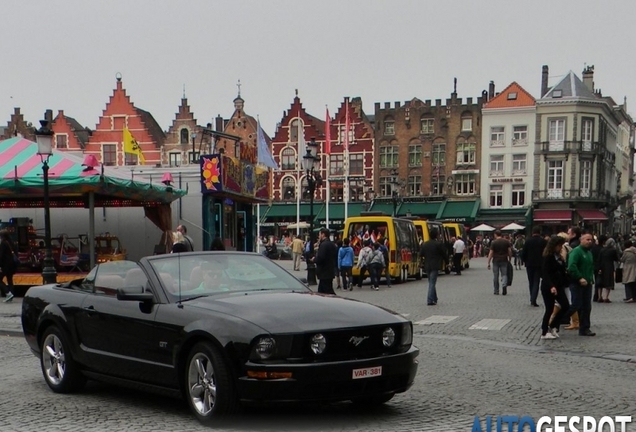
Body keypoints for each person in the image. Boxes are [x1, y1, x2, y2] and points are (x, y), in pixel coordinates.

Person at [539, 235, 570, 340]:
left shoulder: (558, 256)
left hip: (559, 285)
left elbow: (562, 270)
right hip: (549, 286)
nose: (561, 248)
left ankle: (553, 326)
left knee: (565, 305)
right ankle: (544, 331)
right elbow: (545, 273)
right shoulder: (548, 257)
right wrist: (551, 286)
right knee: (549, 309)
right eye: (559, 245)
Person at [567, 232, 596, 336]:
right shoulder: (576, 252)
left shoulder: (589, 253)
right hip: (577, 283)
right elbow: (571, 266)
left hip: (587, 283)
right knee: (576, 304)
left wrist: (590, 279)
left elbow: (590, 267)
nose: (589, 241)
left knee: (586, 306)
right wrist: (580, 278)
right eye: (587, 239)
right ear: (581, 240)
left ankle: (584, 328)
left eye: (591, 240)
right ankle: (558, 320)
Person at [420, 228, 447, 306]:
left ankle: (434, 298)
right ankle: (430, 300)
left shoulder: (425, 244)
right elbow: (444, 254)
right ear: (436, 235)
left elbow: (421, 254)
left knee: (431, 282)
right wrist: (447, 262)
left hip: (427, 265)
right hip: (435, 265)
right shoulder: (438, 244)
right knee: (432, 283)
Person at [521, 226, 547, 307]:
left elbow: (523, 253)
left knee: (531, 281)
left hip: (529, 264)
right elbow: (546, 253)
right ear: (539, 232)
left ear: (532, 232)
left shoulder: (528, 241)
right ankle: (533, 299)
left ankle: (531, 297)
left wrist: (525, 261)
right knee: (536, 281)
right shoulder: (543, 241)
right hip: (539, 264)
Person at [487, 230, 512, 295]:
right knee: (504, 274)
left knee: (496, 275)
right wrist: (509, 258)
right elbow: (509, 251)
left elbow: (491, 253)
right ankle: (504, 286)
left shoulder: (494, 242)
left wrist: (488, 262)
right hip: (504, 260)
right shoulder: (506, 242)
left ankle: (496, 290)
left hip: (496, 260)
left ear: (495, 235)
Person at [314, 228, 338, 295]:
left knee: (328, 291)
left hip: (324, 272)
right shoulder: (332, 244)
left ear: (323, 234)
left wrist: (315, 259)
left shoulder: (324, 245)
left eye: (319, 234)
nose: (319, 236)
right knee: (321, 291)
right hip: (329, 271)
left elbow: (321, 258)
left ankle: (336, 302)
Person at [597, 237, 619, 303]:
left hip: (602, 266)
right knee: (608, 282)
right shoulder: (613, 250)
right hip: (609, 267)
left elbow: (599, 259)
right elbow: (616, 258)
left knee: (600, 282)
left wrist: (599, 268)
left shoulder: (602, 250)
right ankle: (606, 297)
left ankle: (599, 296)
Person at [0, 230, 18, 303]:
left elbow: (1, 255)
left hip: (5, 265)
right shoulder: (12, 243)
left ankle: (8, 293)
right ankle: (11, 294)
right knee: (10, 280)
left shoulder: (3, 243)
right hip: (12, 264)